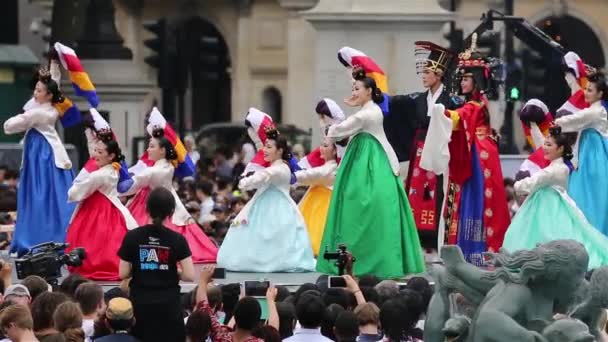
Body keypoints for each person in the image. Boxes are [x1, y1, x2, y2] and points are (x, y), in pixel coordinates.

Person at [316, 67, 425, 279]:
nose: (353, 92)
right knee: (371, 210)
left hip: (369, 162)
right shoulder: (369, 110)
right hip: (369, 159)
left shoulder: (367, 113)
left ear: (369, 91)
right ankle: (377, 259)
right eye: (353, 88)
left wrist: (326, 124)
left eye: (357, 88)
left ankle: (365, 260)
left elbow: (339, 130)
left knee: (360, 208)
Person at [425, 34, 510, 264]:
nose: (462, 82)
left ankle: (474, 250)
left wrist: (439, 111)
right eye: (461, 78)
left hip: (478, 156)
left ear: (476, 81)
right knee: (474, 200)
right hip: (479, 151)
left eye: (466, 78)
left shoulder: (474, 105)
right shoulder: (477, 103)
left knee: (474, 200)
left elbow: (456, 119)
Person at [502, 127, 608, 269]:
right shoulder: (559, 164)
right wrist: (534, 125)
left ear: (560, 149)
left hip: (549, 206)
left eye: (549, 145)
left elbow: (534, 182)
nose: (544, 148)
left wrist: (517, 185)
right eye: (546, 144)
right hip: (552, 202)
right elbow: (540, 144)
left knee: (547, 233)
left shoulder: (555, 169)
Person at [2, 63, 76, 255]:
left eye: (39, 90)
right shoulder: (49, 104)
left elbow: (9, 126)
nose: (35, 93)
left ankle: (39, 239)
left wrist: (15, 118)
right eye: (35, 88)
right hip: (41, 152)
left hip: (43, 157)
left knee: (40, 195)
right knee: (46, 196)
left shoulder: (38, 113)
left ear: (49, 95)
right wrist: (53, 67)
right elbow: (55, 84)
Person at [217, 128, 315, 272]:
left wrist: (244, 181)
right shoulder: (275, 166)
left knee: (273, 235)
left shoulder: (281, 168)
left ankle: (271, 262)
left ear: (280, 150)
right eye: (264, 146)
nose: (264, 150)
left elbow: (264, 176)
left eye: (269, 147)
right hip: (264, 203)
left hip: (278, 207)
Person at [121, 126, 218, 263]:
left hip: (152, 203)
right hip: (170, 200)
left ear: (162, 151)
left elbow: (130, 187)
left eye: (152, 146)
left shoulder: (153, 171)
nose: (148, 149)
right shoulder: (167, 165)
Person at [118, 187, 194, 342]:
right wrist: (174, 271)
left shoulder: (132, 237)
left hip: (140, 308)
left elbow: (123, 273)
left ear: (147, 208)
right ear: (171, 212)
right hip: (169, 309)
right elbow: (189, 275)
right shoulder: (177, 239)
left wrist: (141, 267)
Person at [65, 126, 137, 280]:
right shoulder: (113, 169)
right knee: (107, 241)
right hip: (108, 207)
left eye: (100, 152)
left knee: (97, 241)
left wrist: (74, 188)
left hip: (99, 210)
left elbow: (75, 192)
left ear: (111, 156)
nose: (95, 155)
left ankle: (101, 266)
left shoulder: (100, 174)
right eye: (95, 151)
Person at [556, 71, 608, 236]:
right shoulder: (595, 110)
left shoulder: (596, 111)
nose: (585, 92)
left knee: (591, 199)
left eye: (590, 90)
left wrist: (554, 123)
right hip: (591, 159)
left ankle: (594, 238)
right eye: (586, 89)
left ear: (600, 94)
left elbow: (575, 119)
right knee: (589, 199)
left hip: (594, 161)